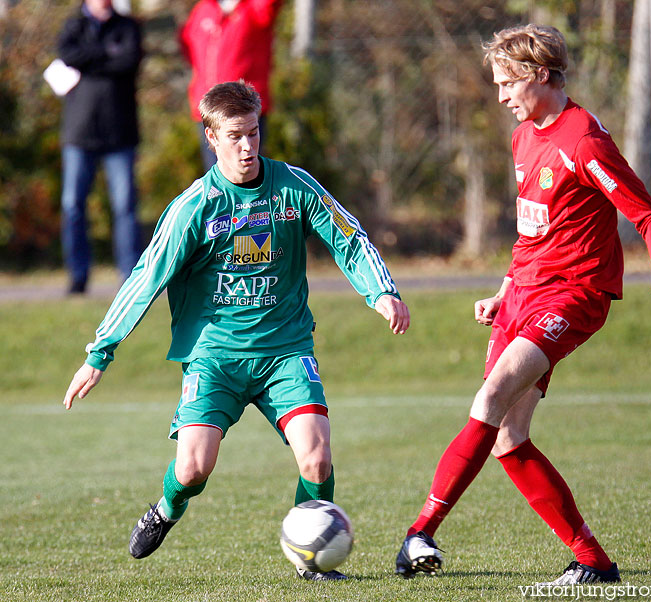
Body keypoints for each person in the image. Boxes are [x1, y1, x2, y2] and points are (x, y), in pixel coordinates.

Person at [63, 81, 410, 582]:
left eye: (253, 132)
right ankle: (165, 507)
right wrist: (100, 354)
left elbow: (349, 237)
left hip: (285, 351)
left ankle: (310, 562)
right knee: (193, 469)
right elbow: (145, 277)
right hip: (215, 358)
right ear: (211, 137)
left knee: (316, 456)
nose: (248, 146)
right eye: (234, 136)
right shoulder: (193, 208)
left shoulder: (293, 187)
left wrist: (380, 291)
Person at [394, 24, 651, 585]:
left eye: (508, 83)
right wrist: (504, 289)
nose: (501, 95)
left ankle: (421, 530)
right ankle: (593, 562)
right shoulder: (523, 136)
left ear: (542, 75)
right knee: (507, 436)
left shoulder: (584, 141)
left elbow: (648, 214)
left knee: (493, 391)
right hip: (525, 292)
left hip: (575, 294)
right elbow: (533, 232)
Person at [57, 0, 143, 294]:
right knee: (73, 206)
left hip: (120, 134)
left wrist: (88, 58)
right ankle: (78, 277)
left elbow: (129, 60)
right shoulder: (73, 25)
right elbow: (66, 54)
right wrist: (107, 53)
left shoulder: (127, 26)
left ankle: (130, 276)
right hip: (79, 134)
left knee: (125, 207)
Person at [179, 0, 283, 171]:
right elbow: (188, 43)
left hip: (245, 110)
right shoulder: (204, 9)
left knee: (246, 173)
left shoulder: (253, 8)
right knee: (216, 177)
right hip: (209, 110)